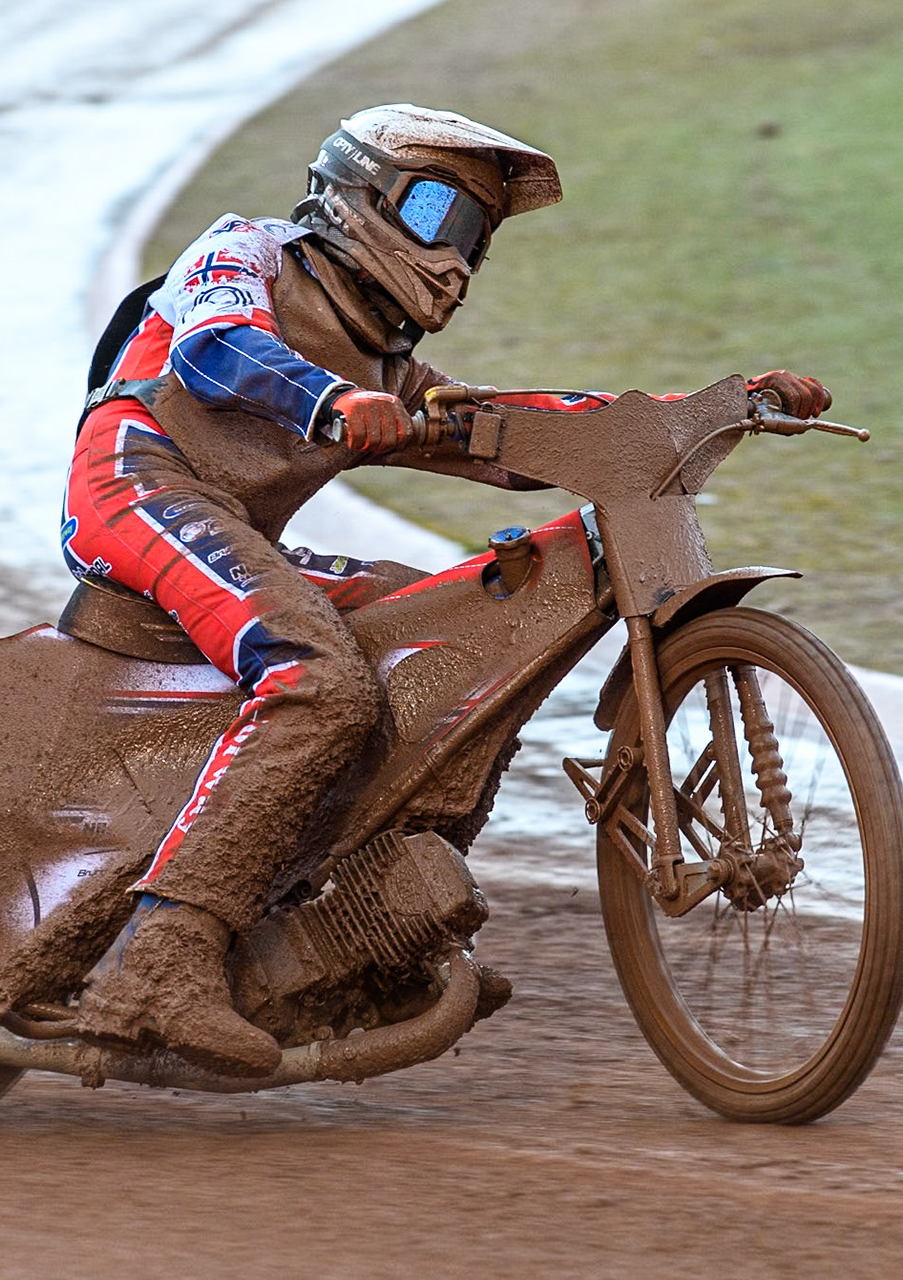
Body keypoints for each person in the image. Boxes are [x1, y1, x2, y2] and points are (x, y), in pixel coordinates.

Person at [59, 104, 831, 1077]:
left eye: (476, 233)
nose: (458, 254)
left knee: (448, 641)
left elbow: (520, 435)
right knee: (320, 680)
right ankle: (154, 964)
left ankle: (366, 923)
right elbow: (216, 354)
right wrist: (334, 404)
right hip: (135, 485)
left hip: (239, 534)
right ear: (360, 193)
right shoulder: (244, 253)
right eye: (440, 214)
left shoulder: (388, 366)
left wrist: (716, 407)